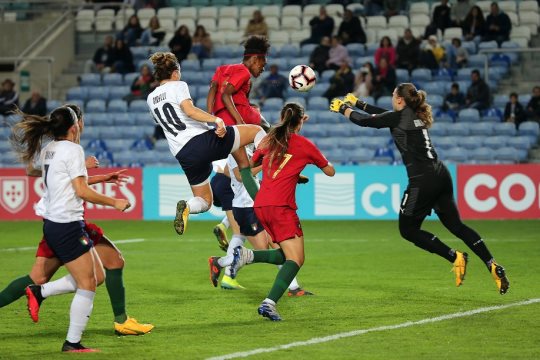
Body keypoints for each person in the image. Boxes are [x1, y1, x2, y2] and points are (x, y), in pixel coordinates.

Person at [329, 86, 510, 296]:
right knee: (457, 226)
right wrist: (359, 103)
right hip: (441, 174)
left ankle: (454, 257)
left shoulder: (397, 118)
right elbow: (386, 115)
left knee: (408, 230)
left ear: (399, 100)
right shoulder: (415, 113)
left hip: (422, 181)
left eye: (393, 95)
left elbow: (364, 121)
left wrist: (343, 109)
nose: (391, 98)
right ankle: (492, 264)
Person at [1, 105, 153, 337]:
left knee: (105, 265)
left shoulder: (49, 149)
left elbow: (43, 174)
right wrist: (114, 202)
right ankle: (94, 327)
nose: (83, 124)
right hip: (67, 223)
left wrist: (99, 175)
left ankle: (117, 320)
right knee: (99, 272)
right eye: (82, 120)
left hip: (55, 222)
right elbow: (79, 189)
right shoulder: (72, 150)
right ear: (76, 125)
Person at [211, 103, 335, 321]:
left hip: (260, 204)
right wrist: (311, 163)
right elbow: (330, 171)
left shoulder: (269, 141)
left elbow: (247, 170)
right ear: (300, 122)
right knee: (297, 259)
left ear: (282, 117)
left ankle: (245, 256)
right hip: (281, 207)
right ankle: (268, 303)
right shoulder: (304, 144)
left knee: (285, 254)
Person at [146, 51, 266, 235]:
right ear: (175, 72)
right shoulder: (178, 85)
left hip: (183, 154)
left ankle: (187, 206)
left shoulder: (151, 98)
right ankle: (271, 162)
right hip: (199, 142)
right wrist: (216, 120)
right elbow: (189, 110)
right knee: (256, 131)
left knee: (204, 201)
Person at [207, 35, 270, 126]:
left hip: (222, 119)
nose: (263, 69)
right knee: (268, 128)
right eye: (262, 65)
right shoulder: (245, 72)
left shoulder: (221, 69)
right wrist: (239, 120)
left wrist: (208, 114)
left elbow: (213, 89)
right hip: (239, 115)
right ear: (254, 59)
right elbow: (225, 95)